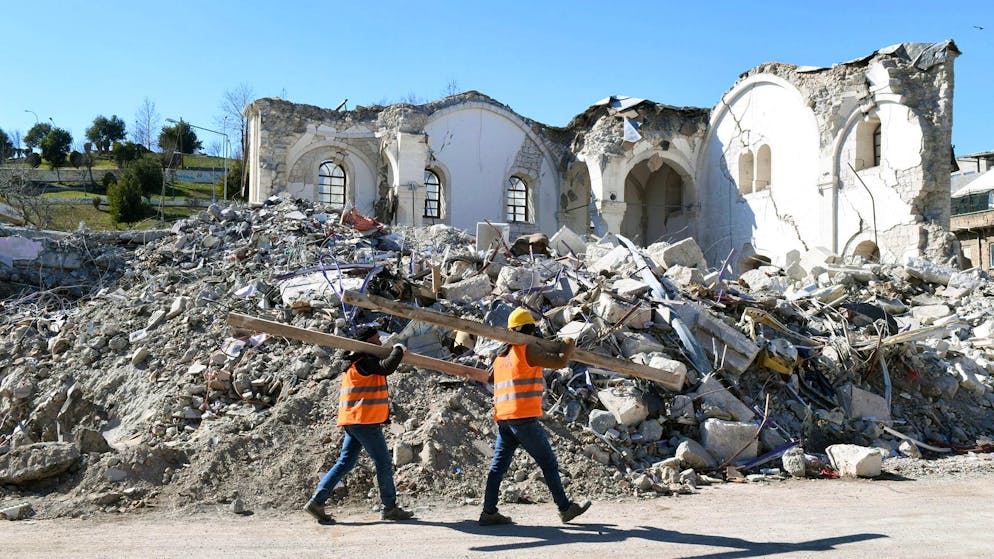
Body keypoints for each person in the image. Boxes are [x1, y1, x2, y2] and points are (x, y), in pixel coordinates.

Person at [479, 307, 591, 526]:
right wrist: (568, 344)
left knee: (497, 468)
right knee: (548, 463)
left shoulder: (500, 356)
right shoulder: (526, 349)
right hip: (523, 419)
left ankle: (488, 512)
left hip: (505, 419)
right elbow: (560, 362)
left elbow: (492, 378)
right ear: (528, 329)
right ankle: (565, 509)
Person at [304, 326, 415, 524]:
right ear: (366, 343)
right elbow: (387, 367)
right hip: (365, 421)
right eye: (376, 340)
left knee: (345, 462)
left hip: (354, 421)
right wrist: (398, 349)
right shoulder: (364, 361)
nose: (380, 344)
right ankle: (389, 507)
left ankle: (316, 502)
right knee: (383, 462)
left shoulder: (354, 363)